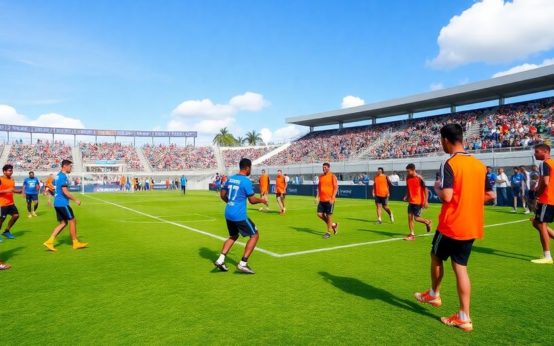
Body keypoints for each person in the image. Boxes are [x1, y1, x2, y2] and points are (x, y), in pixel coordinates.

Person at [414, 123, 495, 332]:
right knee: (461, 269)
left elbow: (447, 196)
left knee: (435, 255)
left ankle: (434, 294)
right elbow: (490, 195)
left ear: (445, 140)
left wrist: (437, 188)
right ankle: (464, 317)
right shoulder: (479, 165)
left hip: (451, 224)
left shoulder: (449, 163)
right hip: (472, 224)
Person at [214, 158, 267, 274]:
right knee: (255, 235)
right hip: (239, 215)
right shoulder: (246, 181)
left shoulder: (231, 178)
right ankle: (243, 263)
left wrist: (231, 203)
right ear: (247, 168)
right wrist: (262, 200)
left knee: (233, 235)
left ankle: (220, 260)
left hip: (228, 212)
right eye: (250, 168)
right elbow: (252, 200)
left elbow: (223, 195)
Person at [43, 160, 88, 252]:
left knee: (63, 223)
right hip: (62, 203)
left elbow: (50, 188)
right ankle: (75, 243)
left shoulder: (58, 176)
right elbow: (65, 192)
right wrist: (76, 200)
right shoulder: (63, 177)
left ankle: (49, 241)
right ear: (65, 166)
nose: (71, 168)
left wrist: (51, 197)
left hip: (57, 203)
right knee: (72, 220)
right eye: (70, 166)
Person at [529, 144, 554, 264]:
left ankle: (547, 256)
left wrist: (537, 194)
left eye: (537, 151)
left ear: (545, 151)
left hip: (546, 198)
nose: (535, 153)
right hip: (551, 199)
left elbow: (545, 182)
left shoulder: (545, 163)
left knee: (540, 224)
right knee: (536, 223)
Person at [403, 164, 431, 240]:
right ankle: (412, 234)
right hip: (411, 201)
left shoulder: (419, 178)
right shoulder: (408, 178)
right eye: (407, 171)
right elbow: (408, 188)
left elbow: (425, 190)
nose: (407, 173)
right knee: (409, 218)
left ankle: (427, 222)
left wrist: (426, 201)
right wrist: (407, 196)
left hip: (418, 201)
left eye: (408, 171)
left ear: (413, 170)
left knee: (417, 218)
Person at [316, 163, 338, 239]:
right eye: (323, 167)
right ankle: (333, 225)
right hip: (322, 199)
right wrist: (317, 197)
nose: (323, 168)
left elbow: (335, 188)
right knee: (319, 214)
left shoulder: (332, 176)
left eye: (325, 167)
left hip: (329, 200)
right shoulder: (321, 176)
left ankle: (328, 232)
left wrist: (333, 198)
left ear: (329, 168)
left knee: (329, 216)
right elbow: (319, 188)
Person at [0, 164, 22, 240]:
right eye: (9, 170)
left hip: (10, 203)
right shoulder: (0, 179)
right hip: (2, 204)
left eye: (11, 170)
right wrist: (6, 190)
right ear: (4, 171)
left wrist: (18, 191)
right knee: (2, 219)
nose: (11, 172)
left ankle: (6, 231)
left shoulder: (12, 180)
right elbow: (8, 190)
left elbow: (12, 190)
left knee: (16, 215)